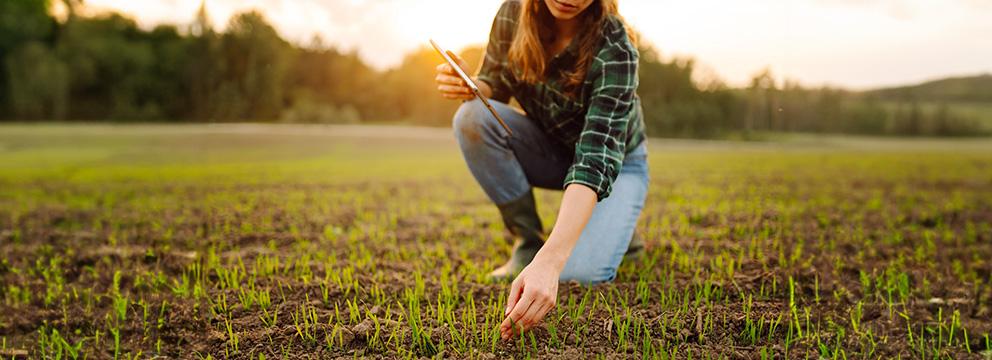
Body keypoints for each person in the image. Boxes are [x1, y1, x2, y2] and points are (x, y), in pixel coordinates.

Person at [433, 0, 647, 339]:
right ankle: (528, 241)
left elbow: (594, 160)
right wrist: (471, 86)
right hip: (550, 146)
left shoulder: (617, 47)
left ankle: (618, 229)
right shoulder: (512, 13)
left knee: (580, 273)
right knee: (471, 117)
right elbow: (493, 83)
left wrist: (551, 263)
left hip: (614, 163)